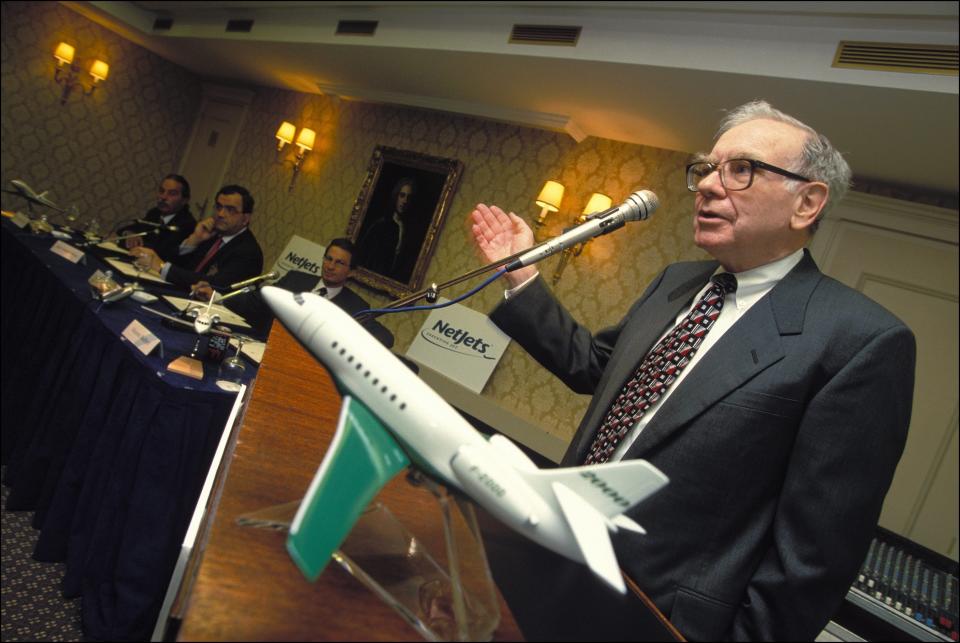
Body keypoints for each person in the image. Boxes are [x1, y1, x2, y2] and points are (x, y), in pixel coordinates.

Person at [470, 100, 915, 641]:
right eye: (706, 168)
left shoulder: (860, 341)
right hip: (551, 555)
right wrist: (523, 277)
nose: (706, 185)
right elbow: (593, 368)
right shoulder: (677, 282)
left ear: (807, 203)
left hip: (656, 618)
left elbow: (813, 560)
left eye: (741, 169)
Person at [193, 238, 394, 347]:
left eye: (339, 263)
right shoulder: (296, 279)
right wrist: (216, 296)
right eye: (328, 258)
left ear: (351, 272)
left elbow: (385, 337)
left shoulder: (355, 306)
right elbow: (257, 301)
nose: (330, 266)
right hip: (262, 346)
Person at [130, 184, 263, 292]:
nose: (221, 214)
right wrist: (194, 240)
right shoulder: (212, 235)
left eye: (230, 210)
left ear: (245, 219)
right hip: (179, 292)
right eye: (218, 207)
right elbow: (180, 265)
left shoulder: (248, 252)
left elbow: (216, 284)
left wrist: (162, 267)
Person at [116, 174, 196, 262]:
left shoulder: (187, 224)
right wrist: (129, 233)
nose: (163, 197)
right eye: (162, 191)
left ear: (184, 200)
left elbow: (162, 252)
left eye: (172, 193)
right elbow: (132, 228)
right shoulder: (155, 212)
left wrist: (139, 242)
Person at [356, 177, 418, 282]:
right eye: (402, 195)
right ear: (396, 197)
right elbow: (365, 256)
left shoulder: (410, 231)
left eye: (409, 197)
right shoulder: (381, 225)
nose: (405, 201)